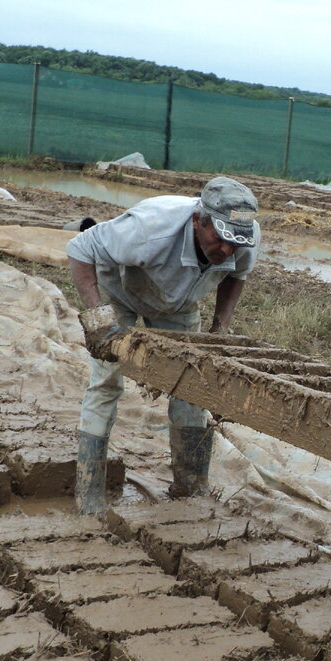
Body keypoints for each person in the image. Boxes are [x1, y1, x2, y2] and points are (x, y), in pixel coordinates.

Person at [66, 176, 260, 515]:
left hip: (179, 304)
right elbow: (80, 248)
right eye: (220, 238)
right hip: (122, 293)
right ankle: (89, 490)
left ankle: (191, 487)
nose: (227, 250)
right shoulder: (148, 229)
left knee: (192, 387)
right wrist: (98, 317)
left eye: (235, 243)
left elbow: (237, 276)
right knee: (107, 382)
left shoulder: (245, 238)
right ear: (199, 221)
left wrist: (220, 329)